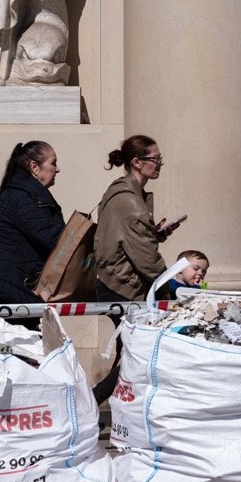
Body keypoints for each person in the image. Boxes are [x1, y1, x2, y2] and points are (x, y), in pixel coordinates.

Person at [91, 135, 185, 403]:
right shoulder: (131, 203)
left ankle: (106, 405)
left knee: (130, 353)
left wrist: (154, 234)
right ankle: (89, 401)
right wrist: (168, 285)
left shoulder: (122, 192)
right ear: (136, 162)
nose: (159, 164)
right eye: (155, 159)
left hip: (114, 284)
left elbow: (130, 240)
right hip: (124, 288)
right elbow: (146, 258)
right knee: (136, 354)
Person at [0, 141, 65, 306]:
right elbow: (54, 239)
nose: (57, 169)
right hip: (11, 289)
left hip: (11, 286)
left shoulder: (24, 194)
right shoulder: (24, 198)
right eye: (53, 163)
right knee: (20, 332)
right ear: (34, 167)